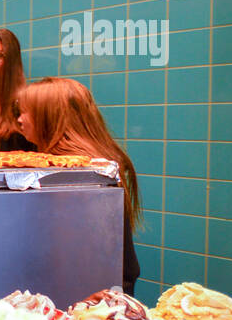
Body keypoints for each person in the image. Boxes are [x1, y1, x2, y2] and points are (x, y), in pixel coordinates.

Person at [15, 77, 142, 294]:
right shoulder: (91, 164)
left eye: (26, 112)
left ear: (50, 117)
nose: (19, 120)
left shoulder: (79, 175)